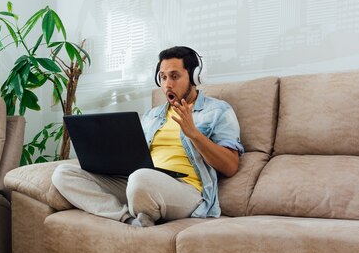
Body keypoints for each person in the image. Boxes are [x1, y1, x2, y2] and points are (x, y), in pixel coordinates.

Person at [52, 46, 243, 227]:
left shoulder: (218, 110)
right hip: (138, 181)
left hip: (185, 189)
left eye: (174, 76)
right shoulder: (152, 115)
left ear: (194, 77)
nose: (168, 84)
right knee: (63, 174)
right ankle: (127, 218)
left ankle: (139, 205)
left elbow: (230, 166)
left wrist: (194, 134)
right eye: (163, 77)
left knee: (141, 179)